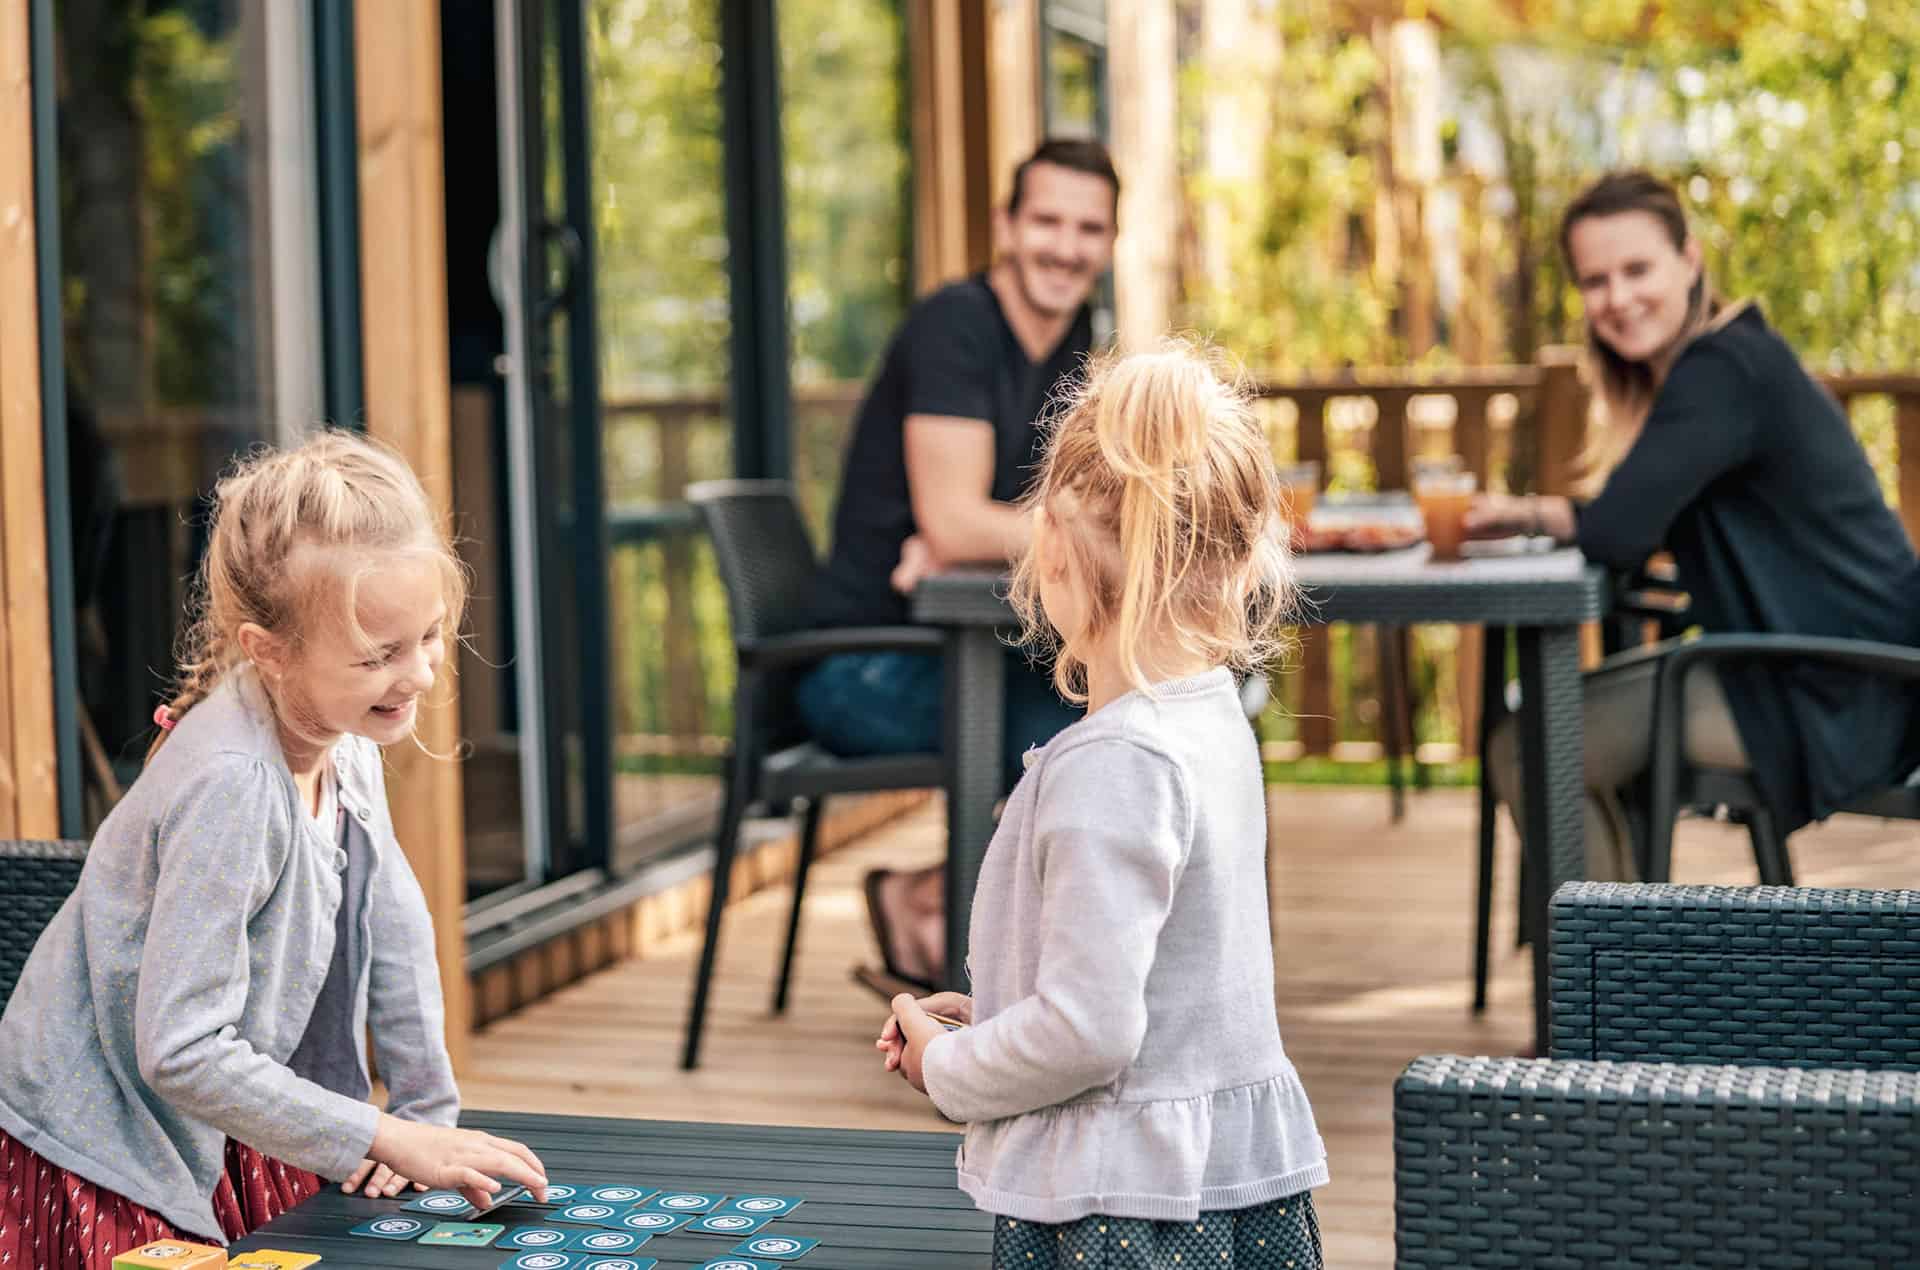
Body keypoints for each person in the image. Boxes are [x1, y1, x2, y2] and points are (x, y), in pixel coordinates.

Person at [0, 432, 548, 1267]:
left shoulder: (343, 738)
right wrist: (386, 1134)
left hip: (224, 1108)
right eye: (380, 656)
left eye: (430, 637)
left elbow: (393, 928)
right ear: (270, 651)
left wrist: (424, 1120)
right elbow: (180, 1048)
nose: (422, 675)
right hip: (107, 1142)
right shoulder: (234, 786)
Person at [877, 343, 1328, 1269]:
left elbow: (1092, 1031)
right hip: (1221, 1181)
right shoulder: (1212, 720)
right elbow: (1162, 978)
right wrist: (1005, 1009)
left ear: (1054, 557)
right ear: (1243, 558)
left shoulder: (1112, 762)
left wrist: (947, 1068)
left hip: (1121, 1209)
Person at [1469, 169, 1920, 880]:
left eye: (1637, 269)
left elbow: (1615, 535)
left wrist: (1540, 517)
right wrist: (1525, 513)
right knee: (1547, 739)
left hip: (1833, 695)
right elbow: (1624, 518)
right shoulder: (1733, 359)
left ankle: (1609, 985)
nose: (1618, 299)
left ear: (1691, 258)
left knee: (1528, 748)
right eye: (1595, 281)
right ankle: (1617, 970)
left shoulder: (1719, 371)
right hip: (1832, 679)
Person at [797, 138, 1120, 991]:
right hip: (861, 664)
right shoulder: (957, 326)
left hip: (960, 646)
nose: (1065, 245)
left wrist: (992, 530)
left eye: (1088, 227)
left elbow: (1034, 507)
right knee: (1078, 739)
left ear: (1110, 243)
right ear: (1007, 227)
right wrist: (986, 531)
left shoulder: (1073, 336)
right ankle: (988, 955)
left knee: (1107, 715)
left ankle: (929, 899)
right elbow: (959, 519)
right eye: (1046, 220)